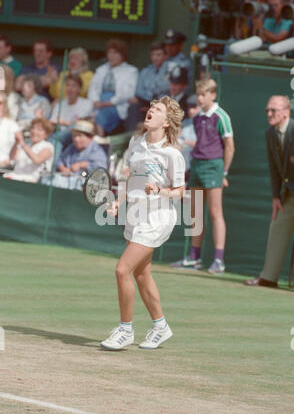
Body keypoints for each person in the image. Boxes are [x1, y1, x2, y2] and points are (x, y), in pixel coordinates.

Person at [100, 96, 185, 351]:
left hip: (157, 217)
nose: (150, 111)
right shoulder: (136, 142)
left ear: (167, 122)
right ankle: (161, 327)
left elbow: (180, 190)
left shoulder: (172, 154)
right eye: (151, 108)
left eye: (157, 110)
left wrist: (159, 190)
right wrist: (117, 202)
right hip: (134, 214)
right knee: (141, 273)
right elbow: (130, 178)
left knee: (122, 270)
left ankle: (125, 330)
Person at [171, 78, 235, 274]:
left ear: (213, 95)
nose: (200, 98)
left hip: (214, 166)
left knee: (215, 213)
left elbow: (230, 147)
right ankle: (194, 257)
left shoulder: (221, 116)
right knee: (195, 213)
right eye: (198, 94)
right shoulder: (198, 118)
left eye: (203, 94)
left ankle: (219, 260)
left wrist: (224, 171)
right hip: (197, 165)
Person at [244, 96, 294, 288]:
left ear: (286, 112)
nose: (269, 114)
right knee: (277, 227)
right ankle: (268, 278)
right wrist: (276, 196)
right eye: (267, 110)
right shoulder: (270, 133)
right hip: (291, 194)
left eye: (273, 110)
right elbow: (274, 168)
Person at [87, 39, 138, 136]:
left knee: (99, 116)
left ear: (122, 55)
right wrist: (96, 101)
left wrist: (108, 103)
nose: (111, 56)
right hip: (98, 104)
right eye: (109, 53)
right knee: (89, 115)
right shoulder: (101, 69)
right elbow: (93, 88)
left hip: (115, 106)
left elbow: (127, 93)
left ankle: (98, 142)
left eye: (115, 53)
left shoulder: (131, 71)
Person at [47, 120, 107, 190]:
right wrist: (63, 168)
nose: (76, 139)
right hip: (66, 181)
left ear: (90, 137)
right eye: (74, 136)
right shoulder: (72, 147)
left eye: (79, 136)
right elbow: (60, 160)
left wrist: (82, 165)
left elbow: (101, 171)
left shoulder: (96, 150)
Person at [127, 41, 170, 130]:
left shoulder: (170, 70)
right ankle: (131, 137)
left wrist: (152, 95)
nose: (155, 58)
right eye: (153, 55)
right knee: (133, 106)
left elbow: (166, 89)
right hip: (145, 101)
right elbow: (139, 91)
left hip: (162, 103)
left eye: (158, 55)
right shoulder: (146, 71)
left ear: (165, 56)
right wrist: (149, 97)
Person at [49, 75, 93, 154]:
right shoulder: (59, 105)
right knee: (57, 143)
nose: (70, 88)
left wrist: (63, 122)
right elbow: (52, 123)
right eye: (67, 85)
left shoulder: (87, 103)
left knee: (71, 128)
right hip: (60, 136)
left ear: (79, 89)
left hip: (76, 134)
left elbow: (80, 125)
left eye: (74, 86)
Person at [4, 118, 54, 183]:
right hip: (16, 177)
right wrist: (16, 142)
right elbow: (12, 158)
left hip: (32, 181)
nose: (34, 131)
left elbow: (37, 160)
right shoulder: (27, 145)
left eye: (39, 130)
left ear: (46, 134)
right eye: (33, 128)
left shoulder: (48, 147)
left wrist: (22, 143)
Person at [0, 91, 21, 168]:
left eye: (0, 103)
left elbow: (17, 151)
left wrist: (9, 161)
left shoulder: (12, 125)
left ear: (4, 105)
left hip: (4, 166)